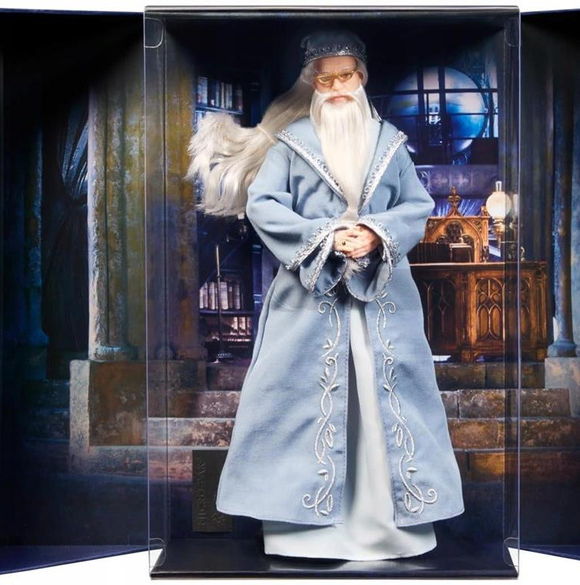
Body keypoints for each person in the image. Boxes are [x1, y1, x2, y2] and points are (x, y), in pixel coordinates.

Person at [187, 30, 464, 561]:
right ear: (312, 83)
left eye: (346, 77)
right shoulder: (291, 143)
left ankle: (390, 528)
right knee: (297, 401)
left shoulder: (391, 143)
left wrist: (376, 232)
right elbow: (264, 205)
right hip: (309, 297)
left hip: (382, 297)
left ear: (362, 78)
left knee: (387, 405)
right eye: (326, 79)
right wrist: (326, 236)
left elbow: (416, 205)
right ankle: (302, 530)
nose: (337, 88)